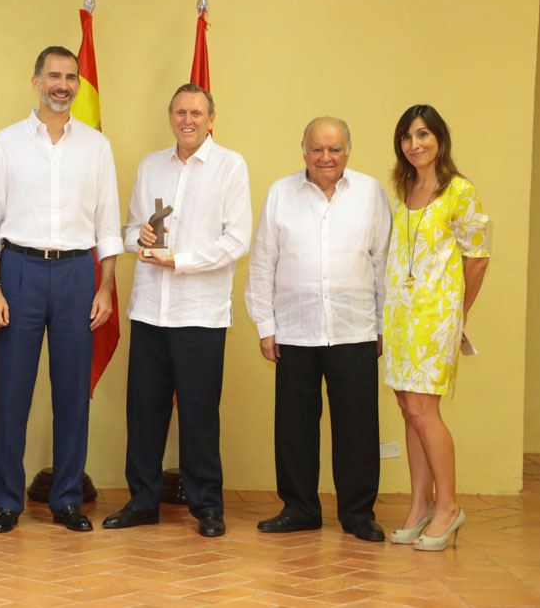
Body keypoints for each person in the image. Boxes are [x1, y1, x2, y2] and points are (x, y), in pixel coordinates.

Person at [0, 46, 123, 533]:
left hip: (79, 275)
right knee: (12, 393)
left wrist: (105, 288)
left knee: (73, 395)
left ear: (78, 84)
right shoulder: (7, 143)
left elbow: (107, 225)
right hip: (19, 272)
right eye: (53, 76)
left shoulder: (97, 146)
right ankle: (7, 502)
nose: (63, 84)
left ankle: (66, 499)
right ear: (35, 80)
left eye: (71, 77)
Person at [102, 84, 252, 538]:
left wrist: (179, 261)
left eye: (197, 112)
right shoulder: (151, 165)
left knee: (199, 414)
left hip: (200, 314)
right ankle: (142, 501)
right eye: (181, 111)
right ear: (171, 117)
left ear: (210, 119)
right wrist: (139, 240)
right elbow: (129, 229)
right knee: (144, 411)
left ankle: (207, 506)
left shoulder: (231, 166)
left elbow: (237, 240)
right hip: (150, 310)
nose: (188, 119)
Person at [245, 116, 392, 542]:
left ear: (348, 151)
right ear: (304, 150)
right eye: (317, 149)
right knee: (294, 427)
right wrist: (265, 326)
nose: (325, 157)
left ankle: (358, 513)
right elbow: (261, 264)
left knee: (358, 427)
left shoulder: (370, 193)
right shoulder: (280, 193)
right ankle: (299, 508)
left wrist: (384, 324)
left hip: (354, 329)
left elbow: (384, 263)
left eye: (335, 149)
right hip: (295, 330)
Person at [383, 104, 489, 551]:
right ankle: (420, 504)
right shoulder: (403, 188)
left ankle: (448, 506)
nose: (415, 144)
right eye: (407, 137)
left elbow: (478, 257)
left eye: (423, 135)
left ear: (440, 140)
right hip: (399, 316)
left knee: (425, 411)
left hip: (435, 318)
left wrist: (455, 313)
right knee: (408, 408)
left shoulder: (459, 191)